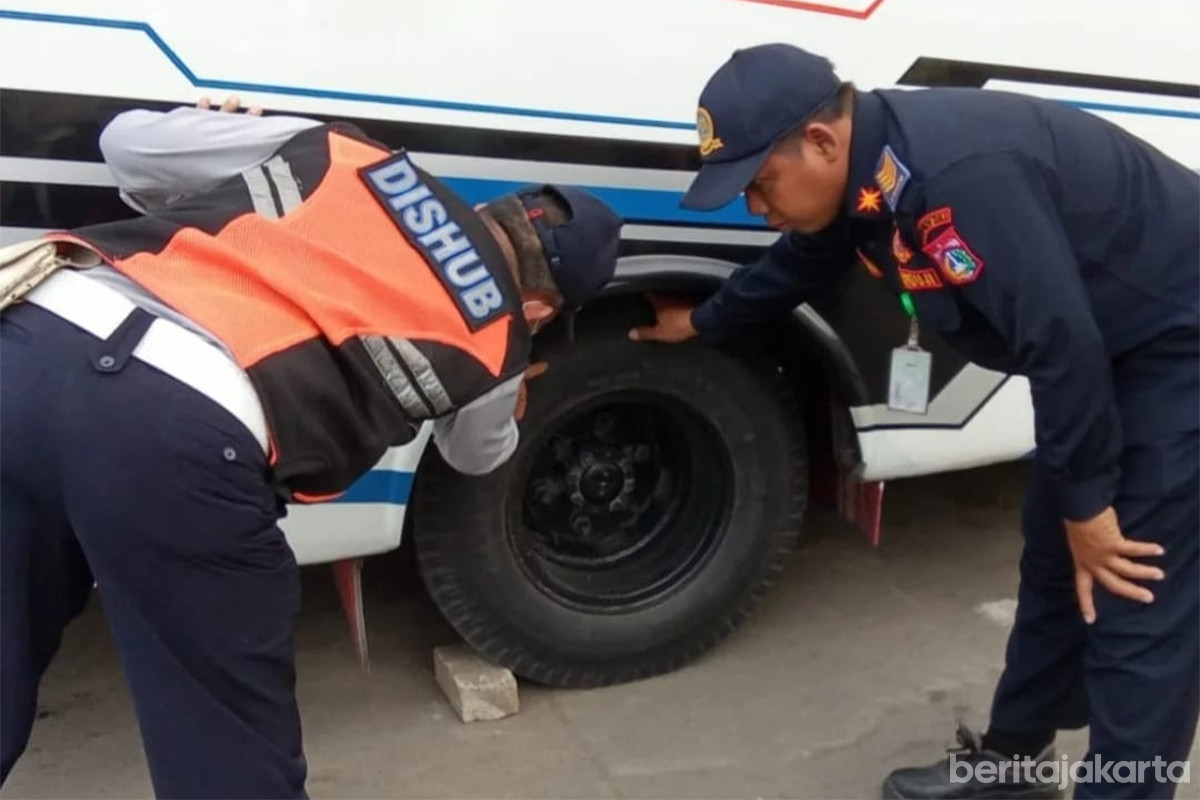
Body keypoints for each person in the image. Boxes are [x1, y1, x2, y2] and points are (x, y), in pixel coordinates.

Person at [0, 95, 622, 798]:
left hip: (34, 331)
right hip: (176, 427)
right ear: (542, 308)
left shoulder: (343, 152)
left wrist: (225, 128)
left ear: (497, 210)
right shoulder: (499, 334)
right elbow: (475, 454)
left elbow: (125, 146)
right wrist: (511, 393)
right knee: (229, 750)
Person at [631, 43, 1198, 800]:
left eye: (761, 183)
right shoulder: (873, 168)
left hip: (1177, 341)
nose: (755, 208)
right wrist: (703, 320)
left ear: (822, 141)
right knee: (1055, 555)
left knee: (1132, 586)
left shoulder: (960, 180)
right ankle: (1011, 764)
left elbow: (1064, 349)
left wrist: (1092, 507)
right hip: (1110, 342)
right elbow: (801, 261)